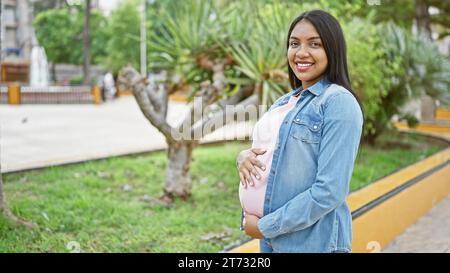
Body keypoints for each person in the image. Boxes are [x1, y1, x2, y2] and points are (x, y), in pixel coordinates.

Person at [236, 10, 364, 253]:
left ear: (332, 49)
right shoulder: (285, 101)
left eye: (314, 44)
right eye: (294, 43)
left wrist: (266, 226)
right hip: (274, 242)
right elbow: (271, 157)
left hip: (313, 244)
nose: (301, 52)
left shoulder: (338, 102)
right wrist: (243, 158)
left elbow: (330, 191)